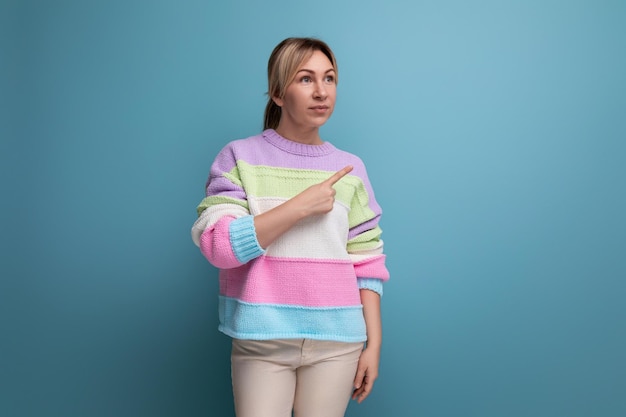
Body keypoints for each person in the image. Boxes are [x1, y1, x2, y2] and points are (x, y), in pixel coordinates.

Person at [191, 37, 390, 417]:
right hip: (262, 338)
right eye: (305, 79)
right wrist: (297, 208)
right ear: (278, 93)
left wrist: (374, 345)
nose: (321, 92)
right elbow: (218, 247)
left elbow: (367, 263)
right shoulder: (239, 157)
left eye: (329, 79)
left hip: (338, 341)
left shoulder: (351, 169)